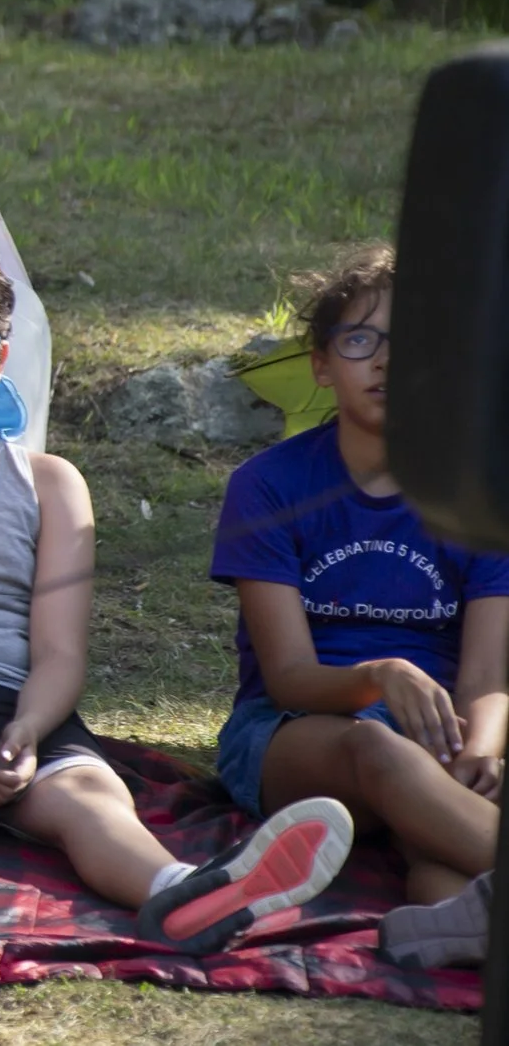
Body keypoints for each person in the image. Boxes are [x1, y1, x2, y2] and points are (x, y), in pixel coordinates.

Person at [0, 230, 353, 950]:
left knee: (88, 796)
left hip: (14, 697)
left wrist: (29, 729)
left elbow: (56, 649)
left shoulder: (50, 484)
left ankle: (185, 889)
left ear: (1, 359)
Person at [207, 247, 506, 970]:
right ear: (320, 363)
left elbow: (489, 674)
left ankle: (446, 928)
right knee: (381, 748)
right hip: (295, 732)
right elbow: (287, 676)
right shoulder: (267, 484)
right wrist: (383, 674)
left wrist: (483, 746)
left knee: (432, 836)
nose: (385, 362)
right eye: (360, 340)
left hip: (442, 729)